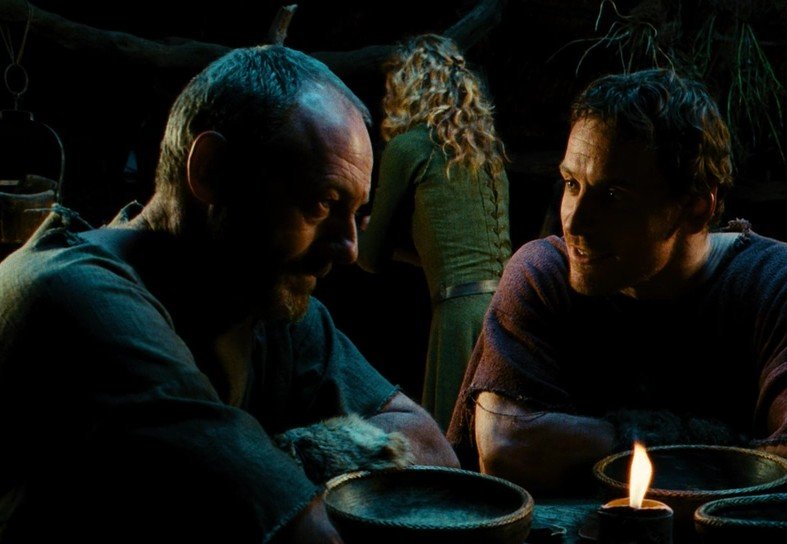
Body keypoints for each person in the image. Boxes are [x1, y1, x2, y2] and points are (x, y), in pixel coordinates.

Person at [0, 46, 459, 543]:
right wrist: (319, 466)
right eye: (323, 203)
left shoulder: (258, 298)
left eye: (358, 216)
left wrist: (293, 454)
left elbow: (434, 459)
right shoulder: (76, 299)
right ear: (212, 171)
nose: (349, 248)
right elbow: (310, 536)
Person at [446, 68, 787, 495]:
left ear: (697, 207)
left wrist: (590, 446)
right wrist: (699, 445)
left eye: (614, 196)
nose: (575, 221)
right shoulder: (542, 276)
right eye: (572, 184)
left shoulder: (777, 281)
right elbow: (507, 447)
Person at [358, 34, 511, 429]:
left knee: (453, 447)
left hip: (460, 319)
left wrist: (365, 233)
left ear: (407, 86)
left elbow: (369, 259)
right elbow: (458, 254)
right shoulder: (487, 152)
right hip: (509, 310)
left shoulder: (409, 147)